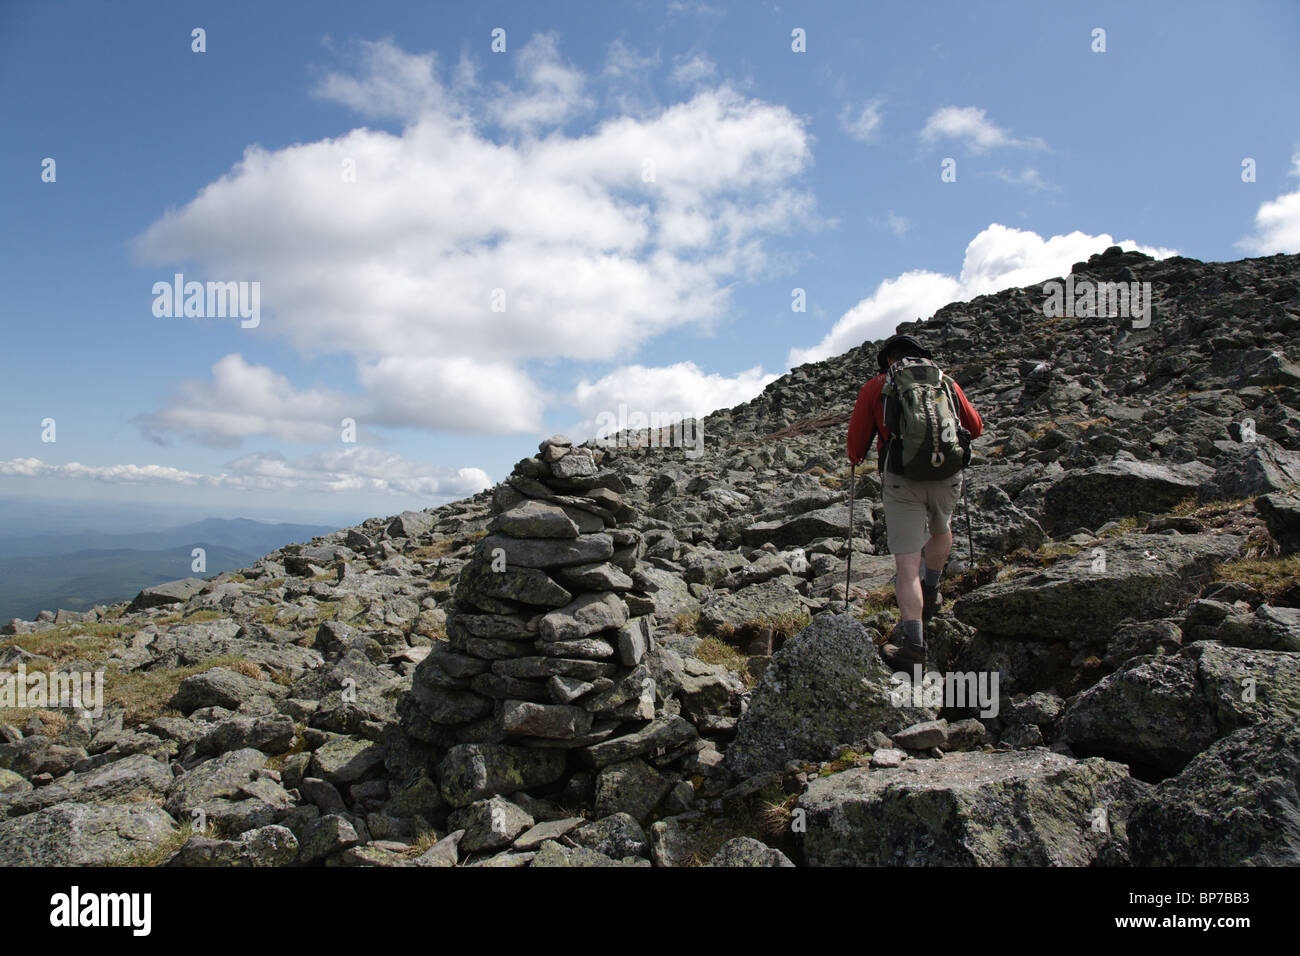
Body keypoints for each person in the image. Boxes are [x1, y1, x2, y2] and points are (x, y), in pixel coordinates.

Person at [846, 333, 983, 668]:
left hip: (902, 479)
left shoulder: (875, 386)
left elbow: (855, 446)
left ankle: (913, 648)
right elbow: (975, 427)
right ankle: (932, 591)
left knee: (906, 566)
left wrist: (858, 456)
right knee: (941, 529)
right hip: (946, 474)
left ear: (888, 360)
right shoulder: (944, 381)